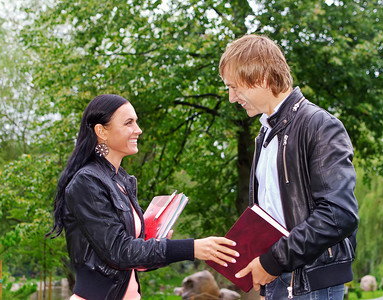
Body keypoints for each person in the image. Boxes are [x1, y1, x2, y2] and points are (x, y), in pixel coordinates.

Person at [46, 94, 239, 300]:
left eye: (136, 122)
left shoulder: (123, 181)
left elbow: (129, 257)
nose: (138, 130)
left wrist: (157, 245)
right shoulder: (87, 182)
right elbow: (118, 251)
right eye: (129, 123)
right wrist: (190, 248)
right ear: (101, 131)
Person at [219, 34, 359, 299]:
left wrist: (272, 261)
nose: (231, 97)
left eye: (234, 87)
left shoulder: (319, 126)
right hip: (277, 279)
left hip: (311, 283)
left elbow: (339, 214)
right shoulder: (264, 135)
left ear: (260, 77)